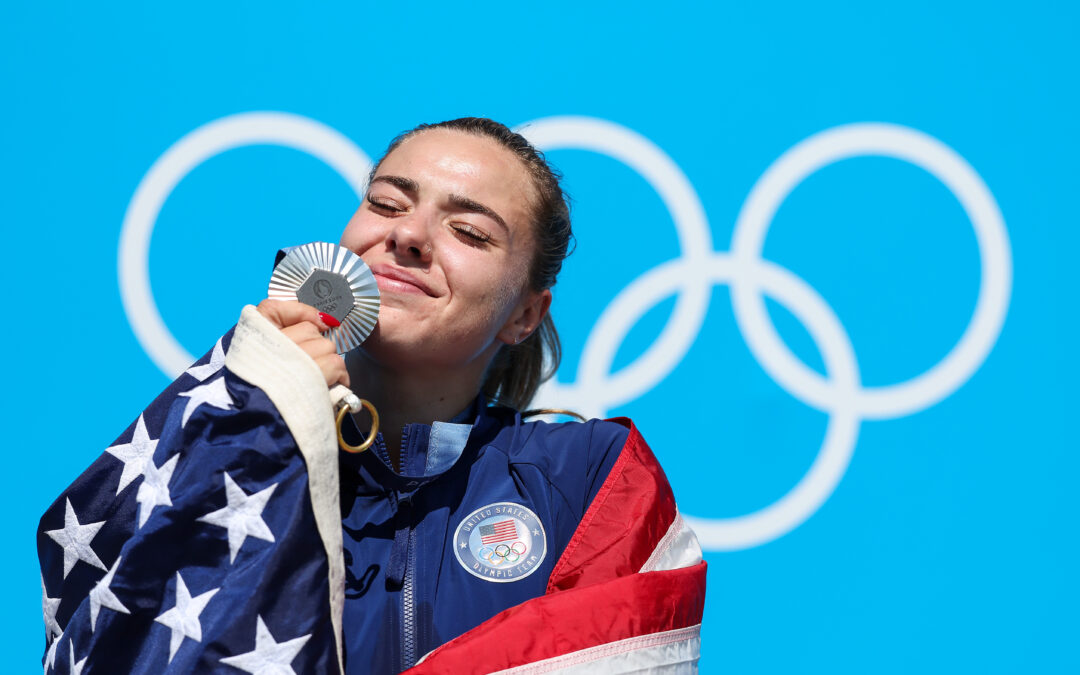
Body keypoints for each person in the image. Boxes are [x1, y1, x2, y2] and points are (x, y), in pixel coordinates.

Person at [38, 118, 706, 674]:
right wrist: (258, 413)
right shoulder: (218, 436)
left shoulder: (586, 476)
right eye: (387, 203)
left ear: (525, 315)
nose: (408, 235)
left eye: (470, 232)